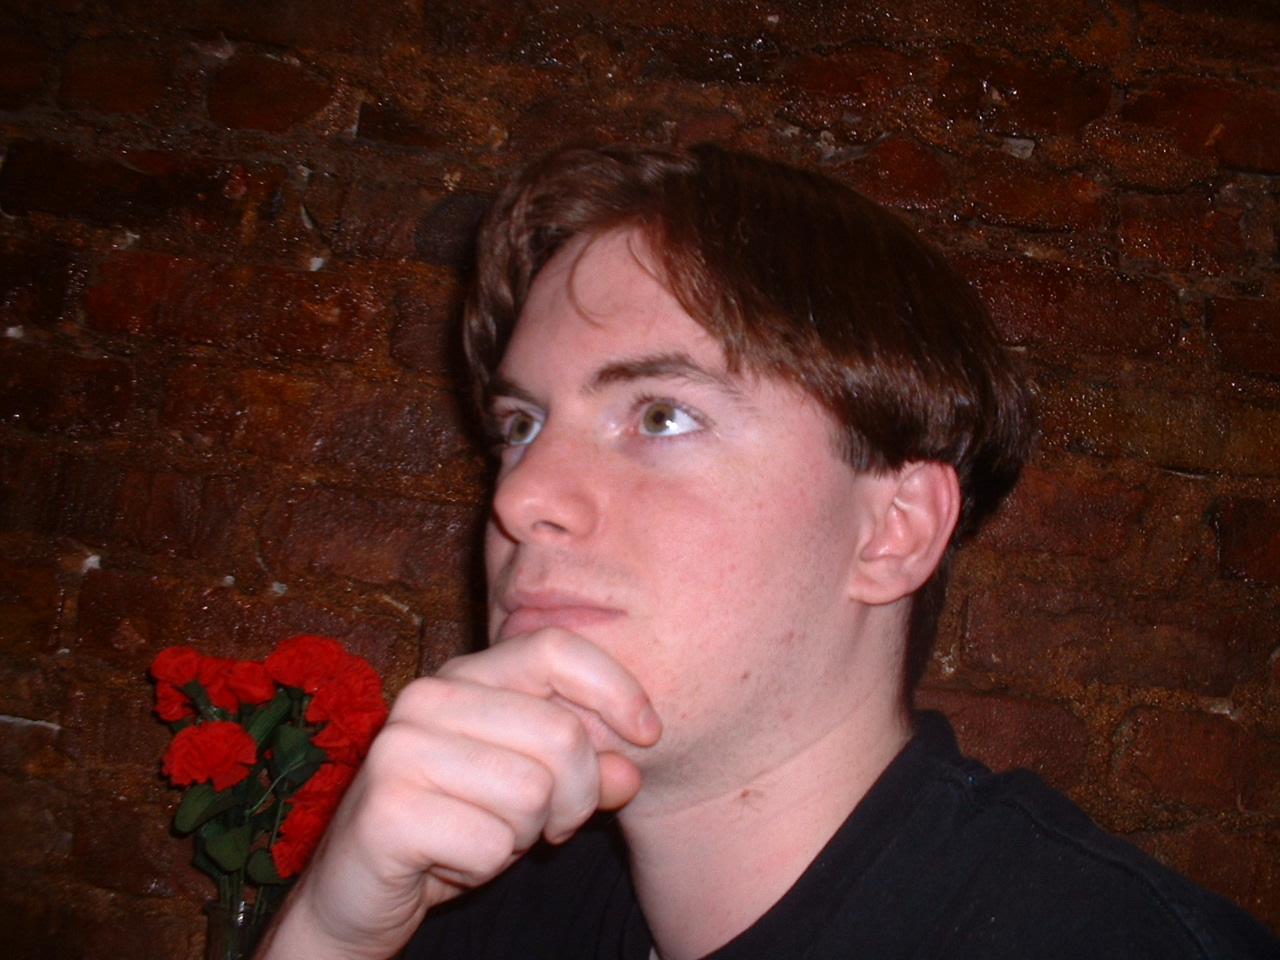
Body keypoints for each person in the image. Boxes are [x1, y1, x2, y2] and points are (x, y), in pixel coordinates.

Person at [255, 144, 1278, 960]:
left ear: (892, 531)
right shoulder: (486, 911)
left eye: (660, 415)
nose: (519, 498)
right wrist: (328, 936)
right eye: (520, 428)